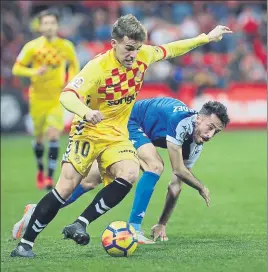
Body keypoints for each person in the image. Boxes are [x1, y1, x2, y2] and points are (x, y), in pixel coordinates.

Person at [10, 14, 232, 258]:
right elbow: (67, 95)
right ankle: (25, 244)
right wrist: (86, 112)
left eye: (137, 49)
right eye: (128, 49)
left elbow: (173, 48)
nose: (133, 55)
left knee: (129, 172)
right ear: (113, 43)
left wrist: (206, 38)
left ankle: (81, 223)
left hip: (117, 131)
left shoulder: (143, 56)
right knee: (68, 185)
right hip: (89, 130)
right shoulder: (97, 67)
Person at [12, 98, 230, 245]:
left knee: (89, 182)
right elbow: (178, 170)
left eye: (216, 132)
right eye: (210, 127)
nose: (210, 135)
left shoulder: (195, 143)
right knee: (155, 165)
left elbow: (176, 184)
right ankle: (134, 227)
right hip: (128, 121)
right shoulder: (180, 122)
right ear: (199, 118)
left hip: (138, 130)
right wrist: (201, 187)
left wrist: (162, 222)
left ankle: (36, 210)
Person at [12, 9, 80, 190]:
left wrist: (69, 80)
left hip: (56, 98)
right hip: (38, 98)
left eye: (52, 23)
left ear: (57, 26)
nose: (49, 26)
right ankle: (40, 170)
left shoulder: (66, 46)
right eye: (46, 23)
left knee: (53, 133)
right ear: (40, 26)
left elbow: (74, 65)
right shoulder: (32, 47)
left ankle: (49, 177)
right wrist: (34, 72)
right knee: (40, 138)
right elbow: (17, 69)